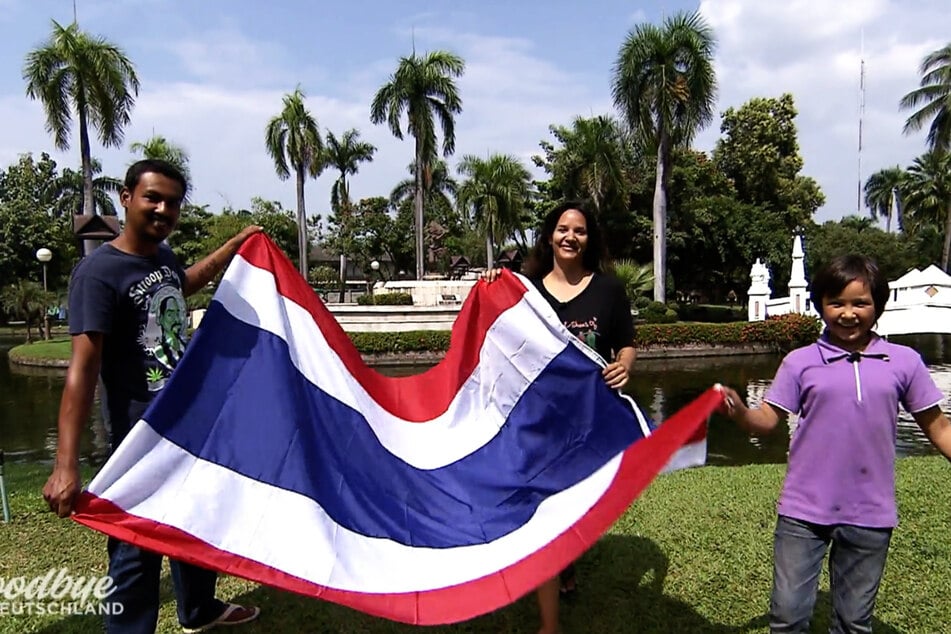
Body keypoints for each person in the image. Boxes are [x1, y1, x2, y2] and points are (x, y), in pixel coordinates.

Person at [42, 159, 263, 633]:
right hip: (135, 433)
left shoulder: (161, 257)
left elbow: (181, 285)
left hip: (185, 420)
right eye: (153, 198)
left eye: (173, 202)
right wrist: (66, 463)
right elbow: (83, 370)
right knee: (135, 549)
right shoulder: (98, 274)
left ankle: (199, 609)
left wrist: (231, 249)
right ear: (126, 198)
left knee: (196, 520)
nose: (163, 209)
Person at [719, 254, 951, 634]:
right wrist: (742, 412)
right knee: (789, 614)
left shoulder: (904, 361)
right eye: (836, 303)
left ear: (878, 304)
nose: (848, 313)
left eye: (860, 303)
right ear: (820, 305)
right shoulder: (800, 362)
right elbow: (767, 420)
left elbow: (938, 427)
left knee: (853, 621)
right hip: (803, 510)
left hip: (870, 512)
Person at [482, 200, 636, 634]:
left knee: (573, 509)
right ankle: (550, 624)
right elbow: (495, 333)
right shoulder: (525, 292)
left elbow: (625, 342)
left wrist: (626, 364)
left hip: (589, 423)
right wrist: (493, 283)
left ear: (590, 239)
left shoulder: (607, 291)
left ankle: (566, 561)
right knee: (544, 516)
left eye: (581, 230)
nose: (571, 236)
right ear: (550, 235)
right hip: (536, 425)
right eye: (563, 229)